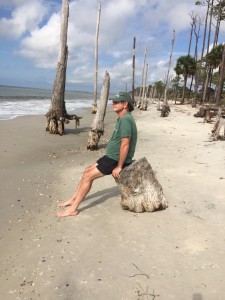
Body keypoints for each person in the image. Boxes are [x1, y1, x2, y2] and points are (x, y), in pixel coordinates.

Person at [57, 92, 137, 217]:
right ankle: (73, 199)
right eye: (113, 101)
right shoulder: (122, 118)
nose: (113, 103)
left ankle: (73, 208)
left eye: (116, 102)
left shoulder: (126, 119)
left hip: (115, 159)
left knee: (88, 176)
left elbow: (125, 144)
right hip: (111, 156)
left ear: (125, 104)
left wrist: (119, 166)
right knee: (86, 171)